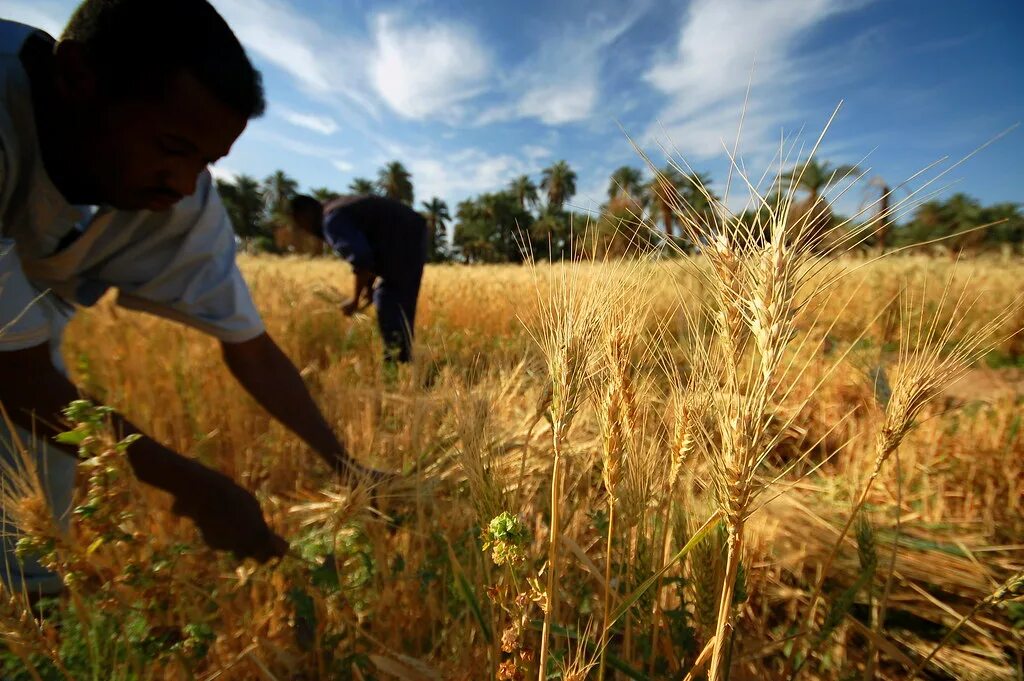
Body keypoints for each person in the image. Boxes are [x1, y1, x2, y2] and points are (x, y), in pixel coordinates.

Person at [0, 0, 380, 599]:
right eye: (172, 146)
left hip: (29, 324)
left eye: (205, 162)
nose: (182, 182)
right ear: (76, 77)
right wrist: (194, 486)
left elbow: (250, 348)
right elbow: (15, 376)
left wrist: (346, 465)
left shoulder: (176, 197)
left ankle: (35, 616)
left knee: (39, 478)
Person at [289, 194, 428, 364]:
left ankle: (397, 365)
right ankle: (403, 363)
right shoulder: (336, 208)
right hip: (411, 233)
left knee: (388, 301)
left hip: (404, 239)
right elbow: (373, 246)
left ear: (304, 215)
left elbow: (362, 258)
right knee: (398, 305)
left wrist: (354, 300)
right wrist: (368, 288)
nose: (306, 231)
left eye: (301, 226)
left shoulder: (331, 220)